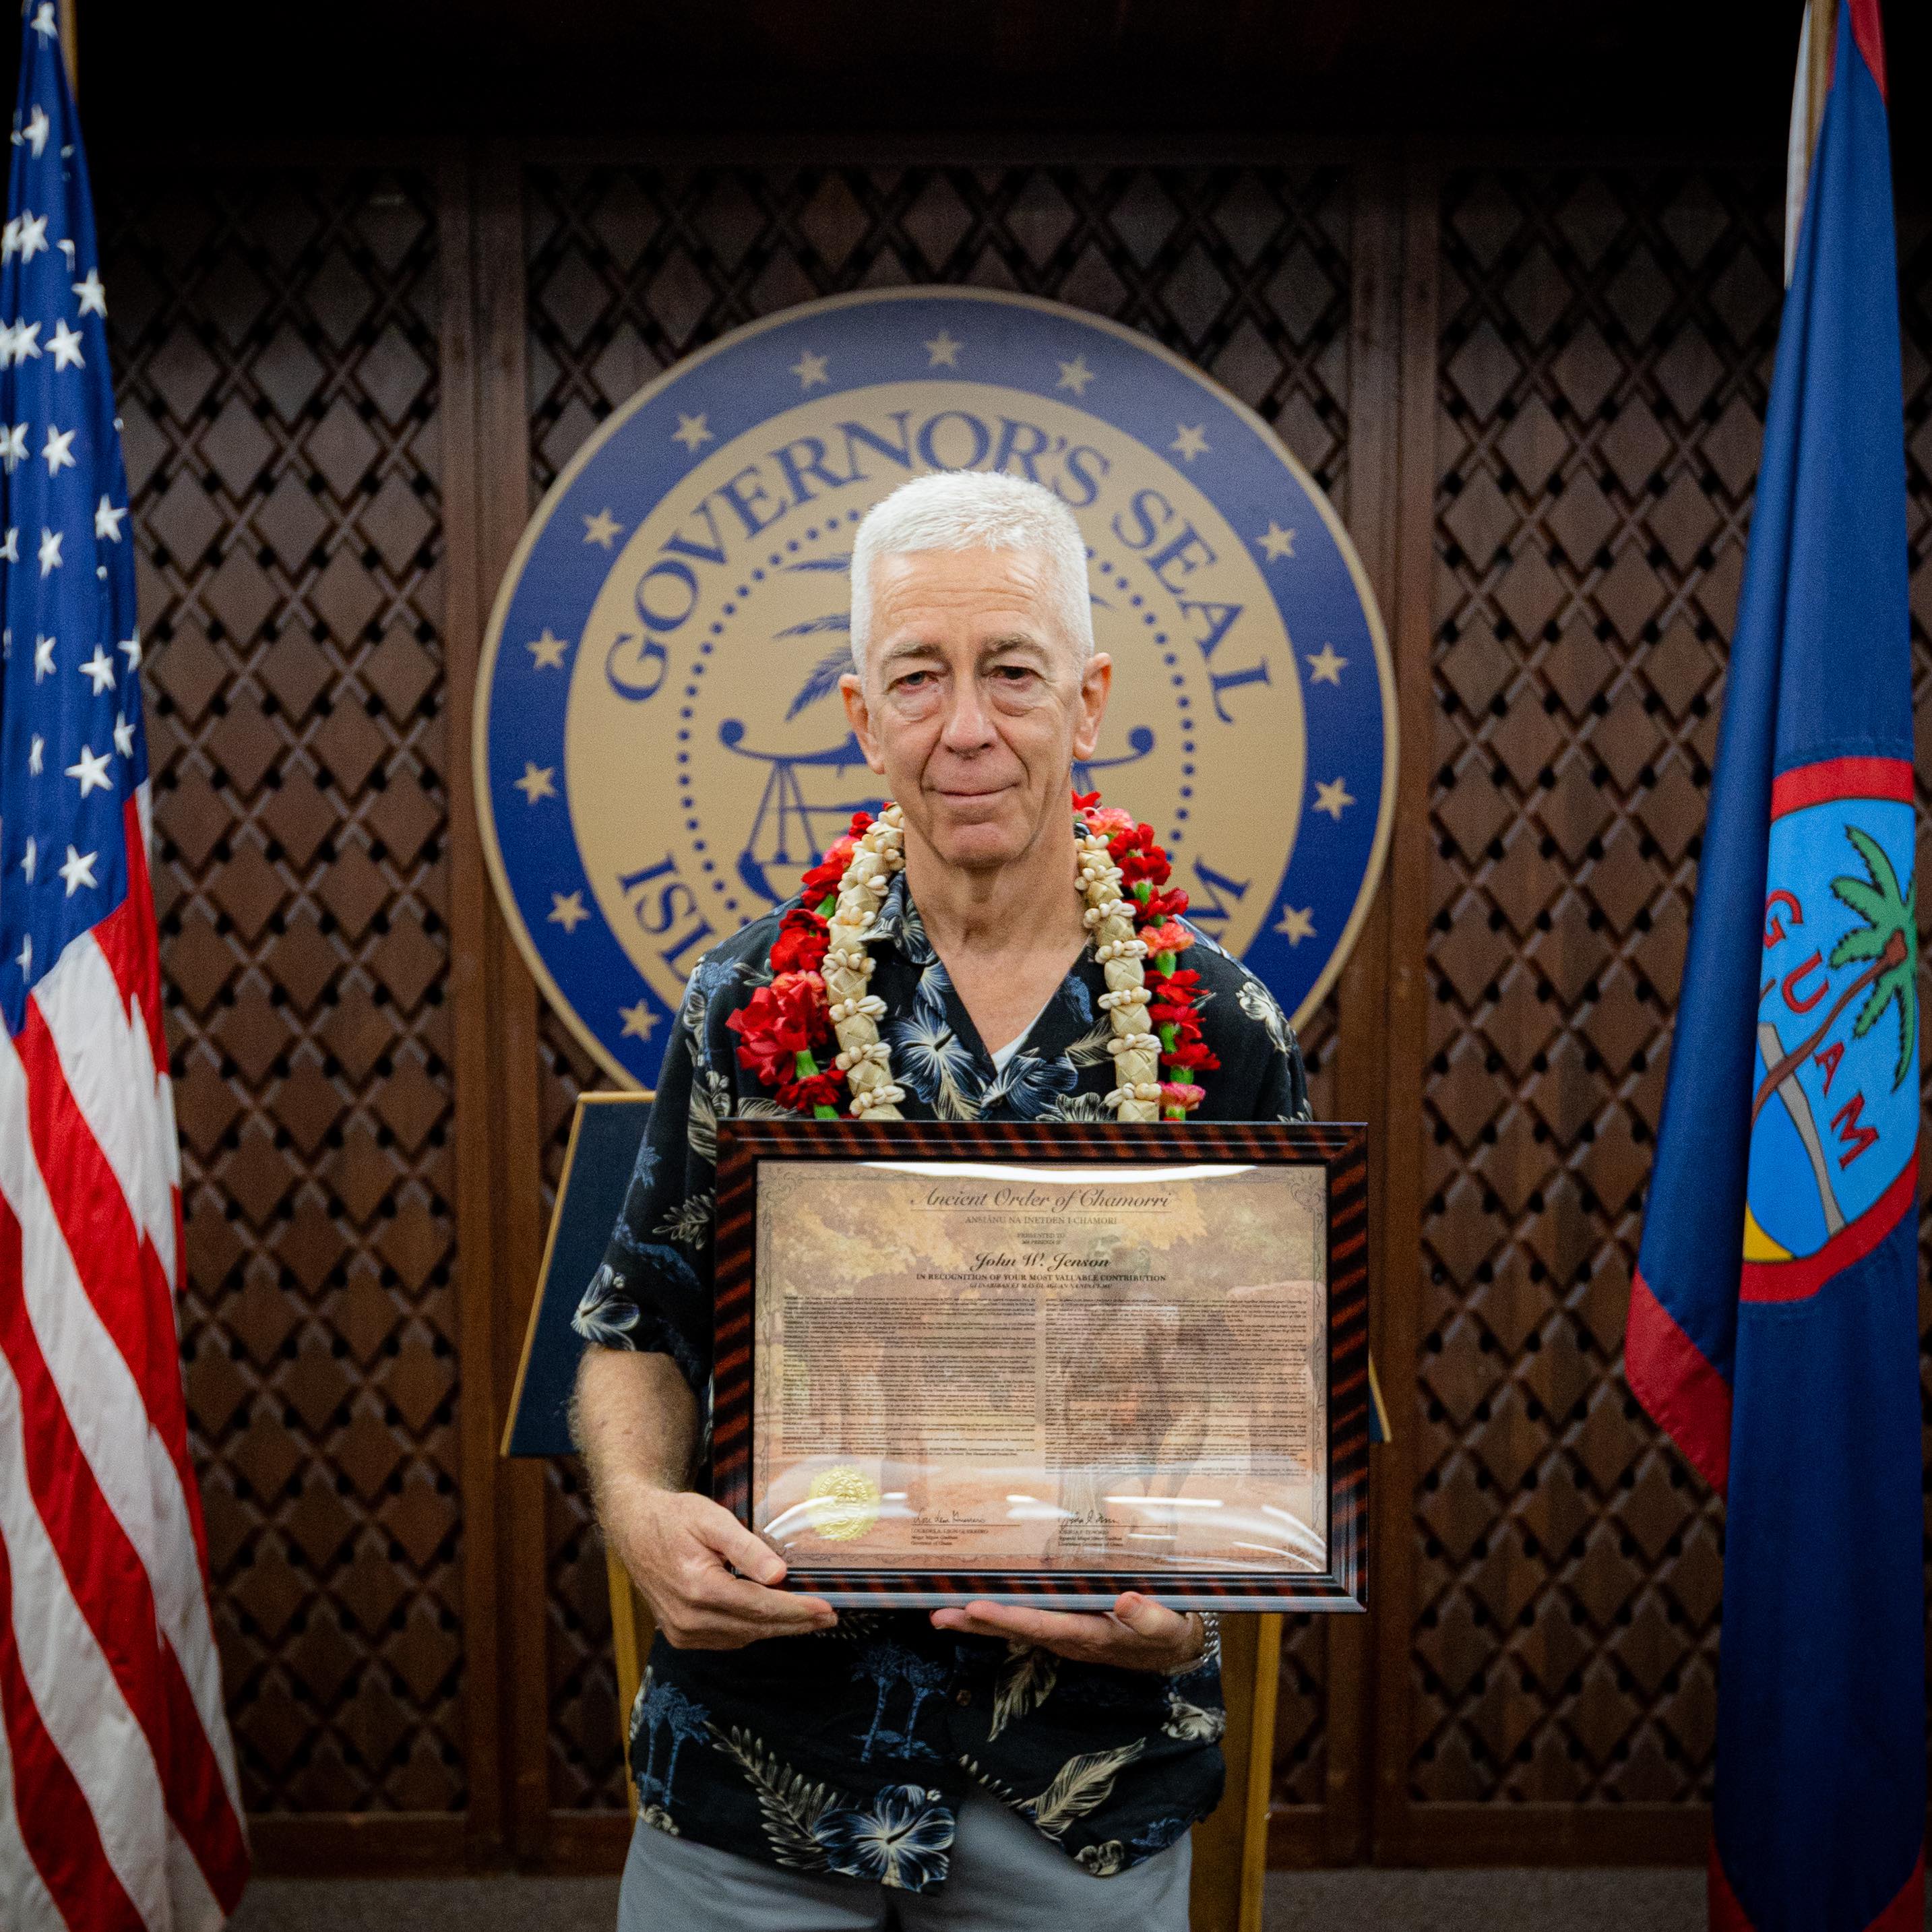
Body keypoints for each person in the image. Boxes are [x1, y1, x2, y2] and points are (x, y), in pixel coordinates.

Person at [572, 469, 1310, 1930]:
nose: (965, 726)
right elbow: (633, 1328)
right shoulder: (743, 1004)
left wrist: (1195, 1612)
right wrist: (641, 1507)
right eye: (919, 676)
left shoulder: (1224, 1031)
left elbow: (1263, 1411)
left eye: (1012, 672)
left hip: (1078, 1771)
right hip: (766, 1757)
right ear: (862, 716)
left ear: (1088, 702)